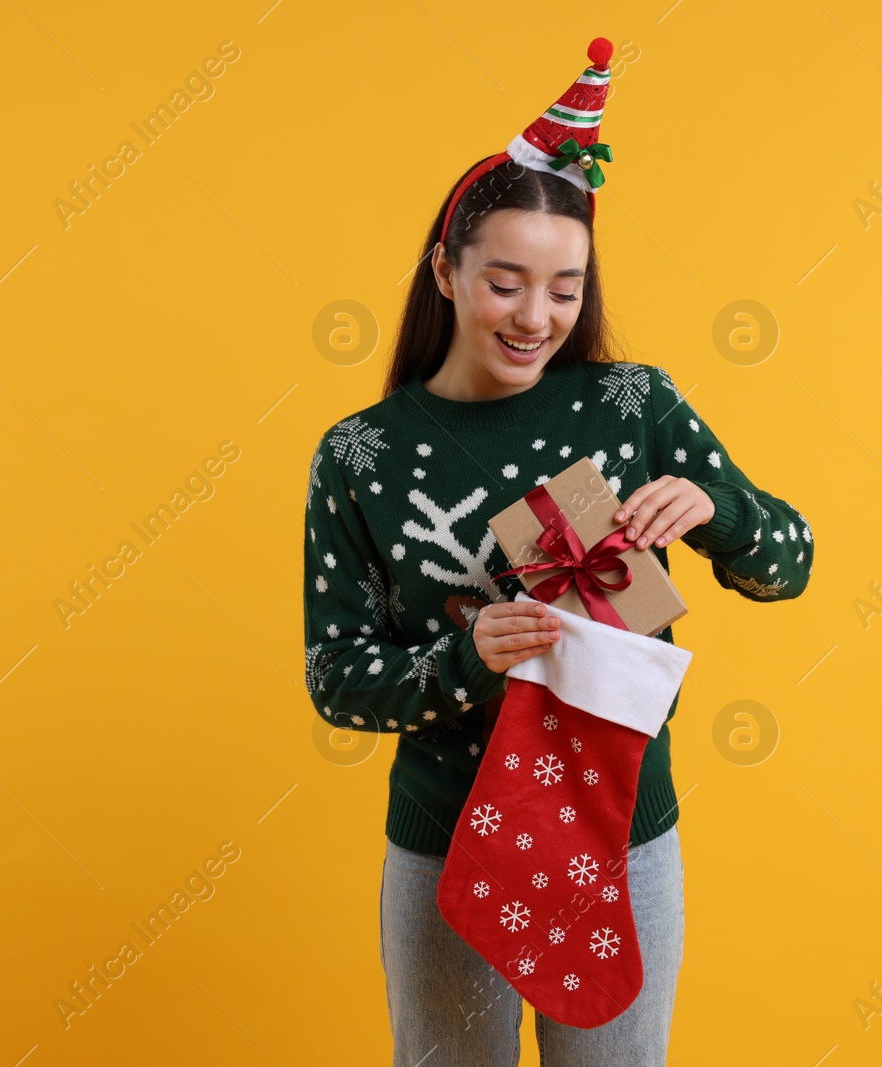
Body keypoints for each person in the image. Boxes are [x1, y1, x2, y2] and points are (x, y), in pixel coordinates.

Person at [301, 38, 813, 1066]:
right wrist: (462, 656)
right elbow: (337, 678)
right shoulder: (361, 453)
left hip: (620, 836)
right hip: (450, 842)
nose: (535, 316)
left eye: (564, 288)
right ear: (444, 269)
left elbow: (789, 561)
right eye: (504, 282)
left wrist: (711, 506)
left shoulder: (633, 405)